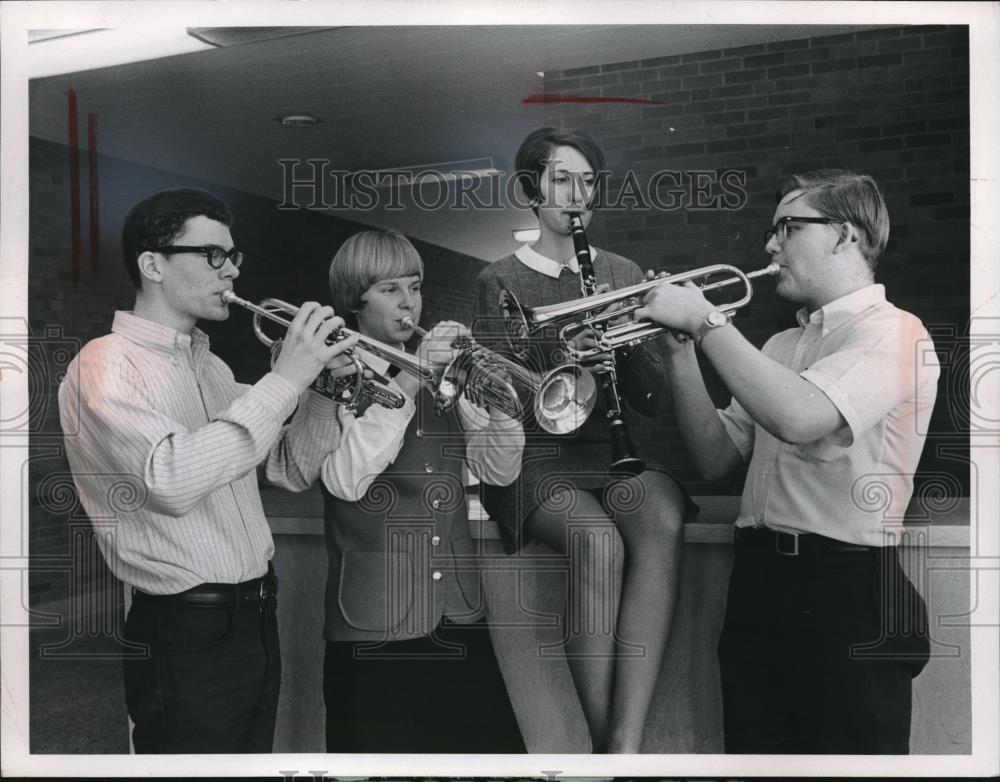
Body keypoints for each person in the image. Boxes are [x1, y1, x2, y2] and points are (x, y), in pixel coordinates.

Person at [635, 169, 939, 754]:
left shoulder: (897, 334)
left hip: (847, 589)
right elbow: (714, 456)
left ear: (845, 235)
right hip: (760, 585)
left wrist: (704, 320)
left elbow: (800, 417)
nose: (770, 246)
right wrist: (680, 354)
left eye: (787, 228)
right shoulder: (780, 347)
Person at [57, 188, 357, 753]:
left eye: (234, 255)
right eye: (213, 255)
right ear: (154, 265)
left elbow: (290, 469)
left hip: (254, 613)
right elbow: (171, 479)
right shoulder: (104, 364)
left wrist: (322, 391)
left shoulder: (212, 366)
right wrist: (287, 378)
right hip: (184, 627)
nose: (233, 271)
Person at [472, 127, 693, 753]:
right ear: (531, 191)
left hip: (612, 452)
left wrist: (627, 352)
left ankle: (628, 735)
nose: (579, 195)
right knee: (596, 542)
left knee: (664, 517)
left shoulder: (619, 272)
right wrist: (562, 366)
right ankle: (608, 749)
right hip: (537, 459)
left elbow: (651, 402)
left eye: (588, 181)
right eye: (562, 179)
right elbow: (500, 400)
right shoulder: (499, 280)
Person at [309, 229, 527, 753]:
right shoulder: (332, 371)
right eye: (389, 289)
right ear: (354, 299)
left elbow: (497, 471)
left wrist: (501, 400)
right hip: (374, 619)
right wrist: (412, 379)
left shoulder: (445, 374)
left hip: (457, 610)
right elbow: (345, 478)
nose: (409, 302)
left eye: (414, 285)